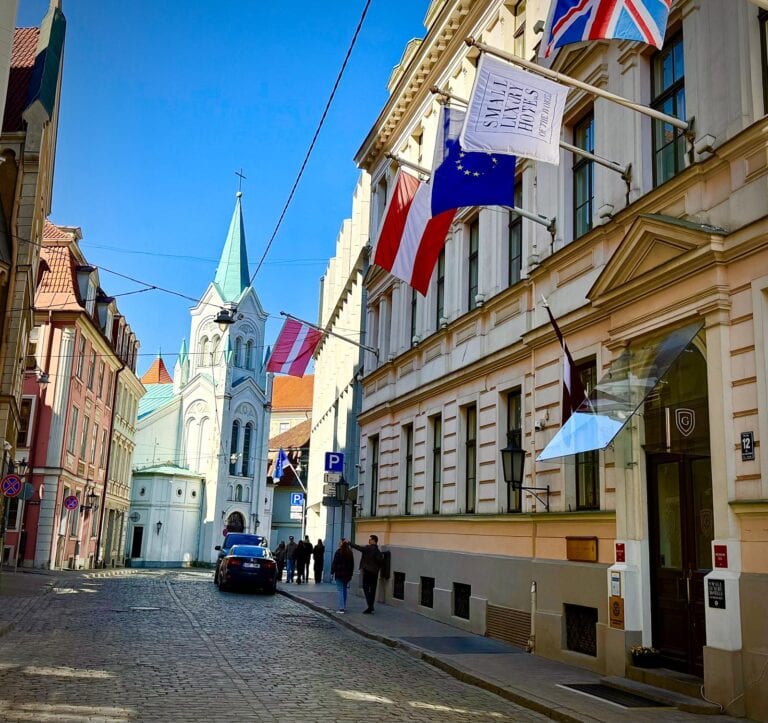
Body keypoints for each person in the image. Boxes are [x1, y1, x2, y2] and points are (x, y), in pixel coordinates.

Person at [350, 534, 383, 614]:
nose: (369, 540)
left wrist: (349, 543)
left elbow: (358, 547)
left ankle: (370, 605)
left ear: (373, 541)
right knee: (373, 589)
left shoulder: (368, 548)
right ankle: (371, 606)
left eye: (370, 539)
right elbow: (380, 561)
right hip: (375, 572)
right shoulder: (377, 551)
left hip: (368, 571)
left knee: (365, 587)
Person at [331, 539, 354, 613]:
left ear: (342, 544)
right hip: (347, 574)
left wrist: (332, 572)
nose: (339, 543)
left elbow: (334, 563)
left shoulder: (338, 552)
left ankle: (341, 608)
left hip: (339, 573)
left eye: (340, 542)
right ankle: (343, 606)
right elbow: (352, 565)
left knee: (340, 590)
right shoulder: (349, 552)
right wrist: (350, 574)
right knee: (344, 589)